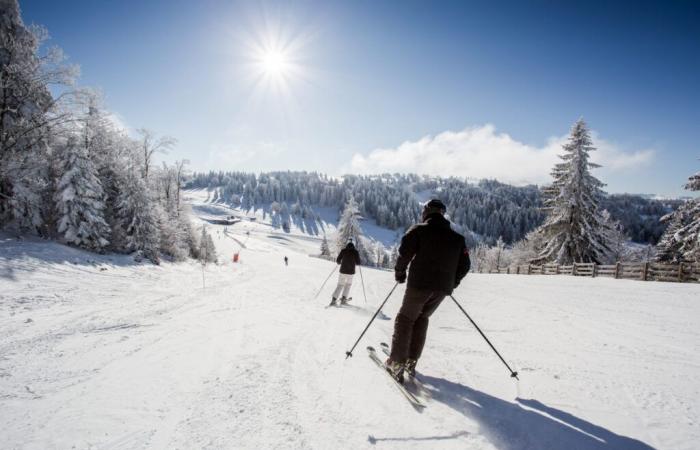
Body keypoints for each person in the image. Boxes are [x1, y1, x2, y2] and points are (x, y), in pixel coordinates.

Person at [386, 199, 470, 381]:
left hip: (419, 285)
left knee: (406, 319)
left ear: (426, 212)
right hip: (442, 289)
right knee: (422, 318)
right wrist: (452, 283)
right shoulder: (458, 239)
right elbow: (465, 265)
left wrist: (400, 272)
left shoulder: (419, 230)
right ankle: (410, 360)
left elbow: (405, 252)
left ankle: (397, 362)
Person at [330, 241, 361, 306]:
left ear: (347, 246)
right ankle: (344, 298)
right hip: (350, 272)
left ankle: (334, 299)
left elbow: (338, 260)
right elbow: (358, 262)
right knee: (348, 285)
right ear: (353, 247)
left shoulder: (343, 250)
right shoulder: (355, 252)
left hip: (342, 271)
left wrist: (339, 262)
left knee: (340, 285)